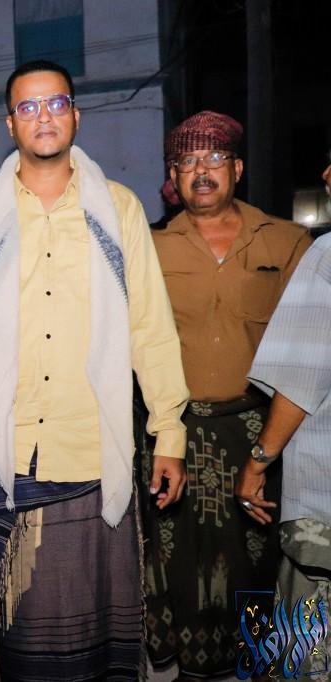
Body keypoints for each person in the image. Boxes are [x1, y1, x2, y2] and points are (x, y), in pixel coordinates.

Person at [0, 59, 190, 681]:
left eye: (55, 104)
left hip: (91, 449)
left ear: (76, 114)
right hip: (0, 450)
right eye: (28, 106)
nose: (43, 117)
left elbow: (149, 326)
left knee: (100, 631)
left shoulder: (118, 209)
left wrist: (169, 431)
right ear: (10, 124)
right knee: (22, 637)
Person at [144, 111, 311, 677]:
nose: (202, 170)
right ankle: (192, 668)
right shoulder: (150, 248)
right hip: (177, 435)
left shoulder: (289, 241)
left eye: (215, 158)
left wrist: (268, 450)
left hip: (264, 434)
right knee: (181, 565)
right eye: (188, 161)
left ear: (237, 168)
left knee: (264, 563)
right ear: (174, 175)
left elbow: (308, 347)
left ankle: (265, 664)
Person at [233, 169, 331, 682]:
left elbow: (300, 377)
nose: (326, 173)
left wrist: (259, 461)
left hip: (324, 505)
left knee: (308, 653)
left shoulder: (327, 255)